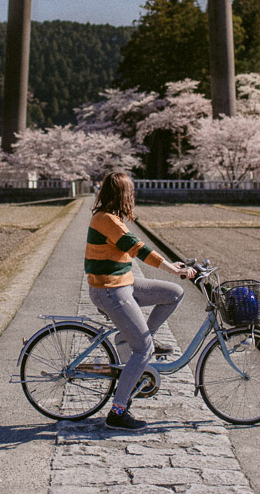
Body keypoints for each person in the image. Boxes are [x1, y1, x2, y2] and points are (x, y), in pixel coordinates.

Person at [86, 171, 194, 431]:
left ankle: (138, 338)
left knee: (173, 293)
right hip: (110, 290)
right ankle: (118, 411)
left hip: (125, 283)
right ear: (123, 195)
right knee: (142, 350)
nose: (133, 196)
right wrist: (172, 269)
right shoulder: (106, 220)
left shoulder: (111, 218)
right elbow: (138, 249)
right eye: (130, 192)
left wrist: (172, 266)